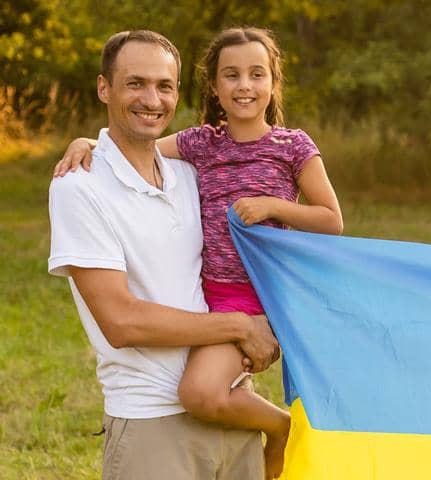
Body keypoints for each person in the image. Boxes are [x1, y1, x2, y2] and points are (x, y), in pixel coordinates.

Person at [55, 27, 344, 478]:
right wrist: (87, 143)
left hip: (251, 326)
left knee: (203, 392)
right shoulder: (196, 148)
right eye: (231, 75)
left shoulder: (266, 152)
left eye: (256, 74)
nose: (244, 85)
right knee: (201, 392)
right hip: (171, 382)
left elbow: (332, 219)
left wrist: (271, 209)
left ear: (274, 81)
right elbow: (131, 144)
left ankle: (283, 428)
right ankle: (283, 425)